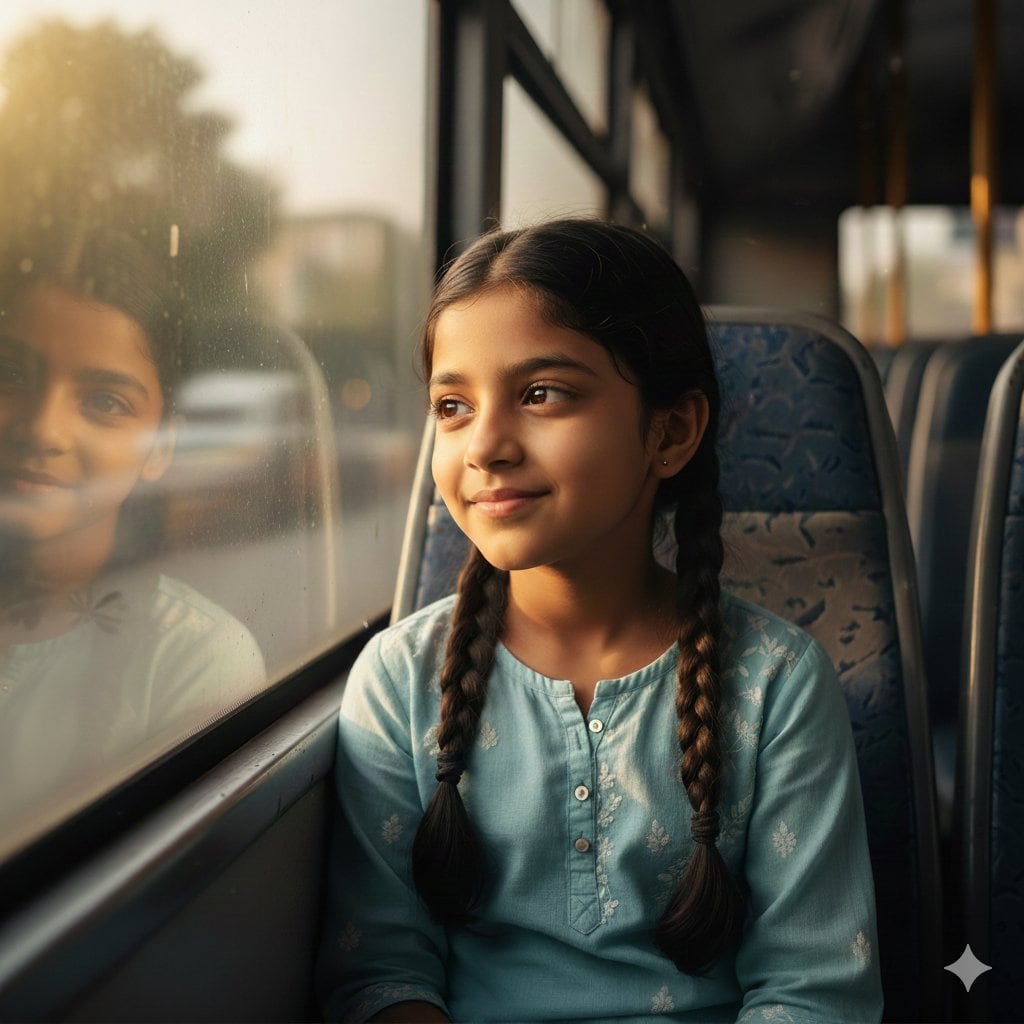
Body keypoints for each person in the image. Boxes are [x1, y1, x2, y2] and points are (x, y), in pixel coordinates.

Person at [318, 220, 882, 1023]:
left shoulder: (776, 685)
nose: (485, 446)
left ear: (670, 431)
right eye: (452, 405)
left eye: (542, 394)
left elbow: (816, 993)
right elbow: (379, 972)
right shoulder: (398, 679)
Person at [0, 225, 265, 857]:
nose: (43, 429)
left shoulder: (191, 666)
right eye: (10, 374)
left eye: (104, 401)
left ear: (162, 446)